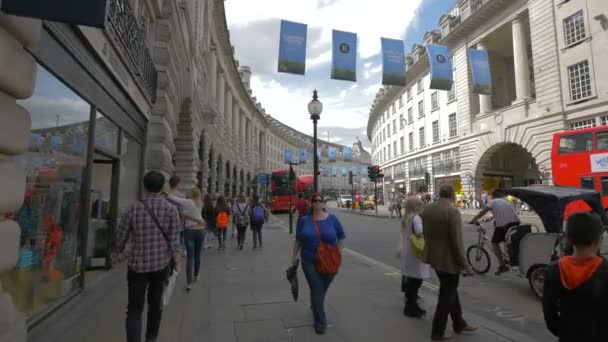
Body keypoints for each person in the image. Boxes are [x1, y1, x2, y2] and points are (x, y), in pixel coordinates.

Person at [113, 171, 181, 342]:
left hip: (137, 266)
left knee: (134, 309)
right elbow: (174, 241)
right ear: (162, 187)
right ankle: (151, 338)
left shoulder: (133, 208)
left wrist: (117, 252)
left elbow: (120, 238)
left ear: (144, 186)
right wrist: (178, 262)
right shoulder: (171, 209)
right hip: (160, 265)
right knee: (155, 305)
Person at [423, 185, 477, 340]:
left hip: (434, 257)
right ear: (452, 194)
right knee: (446, 295)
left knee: (450, 290)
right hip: (448, 260)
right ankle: (437, 331)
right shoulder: (452, 211)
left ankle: (459, 323)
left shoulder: (428, 209)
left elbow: (425, 233)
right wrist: (465, 264)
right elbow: (456, 241)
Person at [543, 212, 608, 342]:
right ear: (599, 238)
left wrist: (561, 330)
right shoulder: (605, 268)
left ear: (568, 238)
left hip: (569, 334)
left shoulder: (554, 270)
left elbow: (549, 310)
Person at [292, 193, 345, 335]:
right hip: (309, 259)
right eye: (314, 201)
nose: (317, 203)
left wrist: (338, 254)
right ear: (311, 204)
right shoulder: (303, 220)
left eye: (319, 201)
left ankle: (315, 304)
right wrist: (293, 257)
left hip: (330, 261)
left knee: (321, 289)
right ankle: (320, 321)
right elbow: (298, 239)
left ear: (323, 203)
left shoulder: (332, 219)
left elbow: (341, 237)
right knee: (316, 287)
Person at [469, 189, 520, 275]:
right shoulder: (506, 201)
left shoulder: (492, 202)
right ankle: (509, 258)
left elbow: (482, 212)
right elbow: (499, 212)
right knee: (507, 240)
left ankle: (502, 265)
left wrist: (473, 220)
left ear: (492, 196)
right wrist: (489, 218)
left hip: (504, 226)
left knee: (494, 243)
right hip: (516, 224)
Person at [400, 197, 431, 318]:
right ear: (415, 206)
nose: (422, 205)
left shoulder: (405, 218)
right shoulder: (416, 217)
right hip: (416, 251)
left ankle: (410, 305)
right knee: (417, 280)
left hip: (408, 250)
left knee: (410, 280)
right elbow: (419, 232)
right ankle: (411, 308)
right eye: (420, 204)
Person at [181, 188, 207, 291]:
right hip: (200, 231)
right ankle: (196, 275)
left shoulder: (187, 203)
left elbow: (183, 215)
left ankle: (189, 283)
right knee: (197, 255)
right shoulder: (200, 204)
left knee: (190, 257)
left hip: (189, 231)